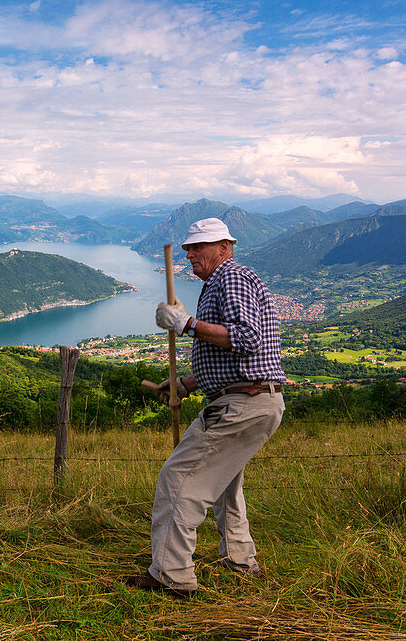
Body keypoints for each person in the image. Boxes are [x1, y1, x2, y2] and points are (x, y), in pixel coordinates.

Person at [125, 217, 285, 598]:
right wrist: (185, 383)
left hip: (241, 404)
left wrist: (187, 324)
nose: (191, 254)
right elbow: (237, 360)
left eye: (199, 247)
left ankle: (172, 574)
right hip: (255, 398)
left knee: (178, 480)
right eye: (188, 248)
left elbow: (246, 339)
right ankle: (240, 560)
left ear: (224, 248)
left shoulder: (230, 277)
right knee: (224, 483)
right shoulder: (224, 281)